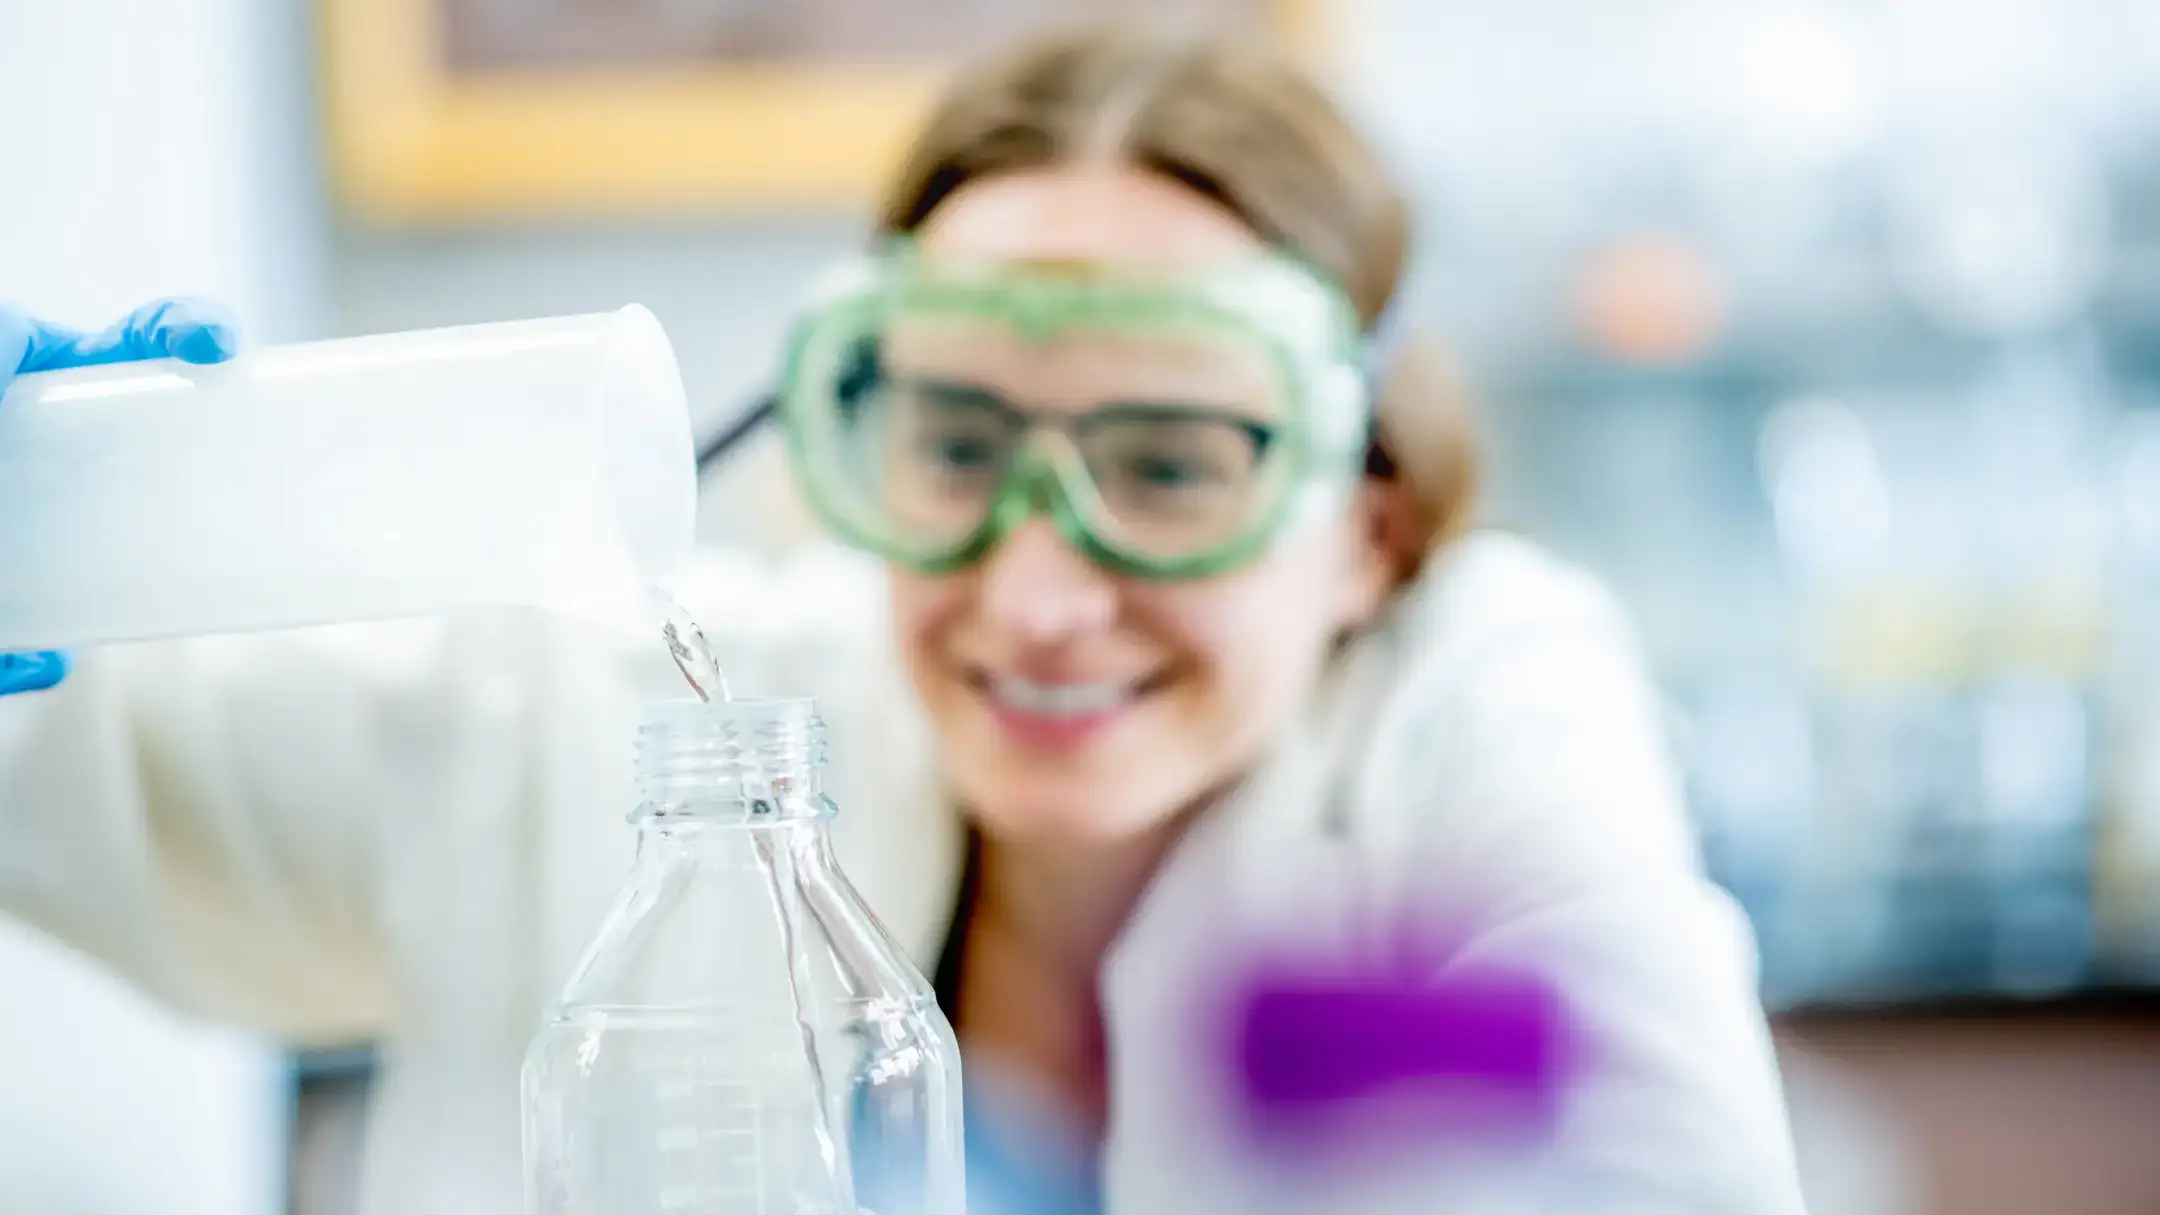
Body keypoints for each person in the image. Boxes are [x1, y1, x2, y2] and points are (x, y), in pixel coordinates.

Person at [0, 23, 1806, 1215]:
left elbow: (1661, 1153)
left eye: (1172, 462)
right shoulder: (626, 710)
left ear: (1364, 527)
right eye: (955, 443)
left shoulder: (1478, 702)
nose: (1036, 588)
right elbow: (63, 751)